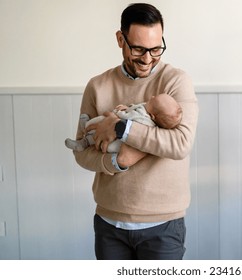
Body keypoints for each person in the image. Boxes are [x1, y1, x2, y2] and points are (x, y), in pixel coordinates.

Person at [72, 3, 198, 260]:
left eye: (156, 48)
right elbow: (81, 153)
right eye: (139, 48)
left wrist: (121, 127)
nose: (148, 58)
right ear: (121, 39)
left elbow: (180, 143)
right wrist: (117, 161)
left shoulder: (176, 82)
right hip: (109, 222)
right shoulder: (97, 86)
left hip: (163, 226)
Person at [65, 94, 182, 158]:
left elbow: (129, 119)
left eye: (154, 99)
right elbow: (136, 109)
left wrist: (116, 115)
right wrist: (128, 108)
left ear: (152, 116)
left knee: (102, 122)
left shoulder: (145, 120)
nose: (151, 97)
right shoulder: (148, 110)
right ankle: (85, 132)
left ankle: (85, 133)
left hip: (117, 141)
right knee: (102, 124)